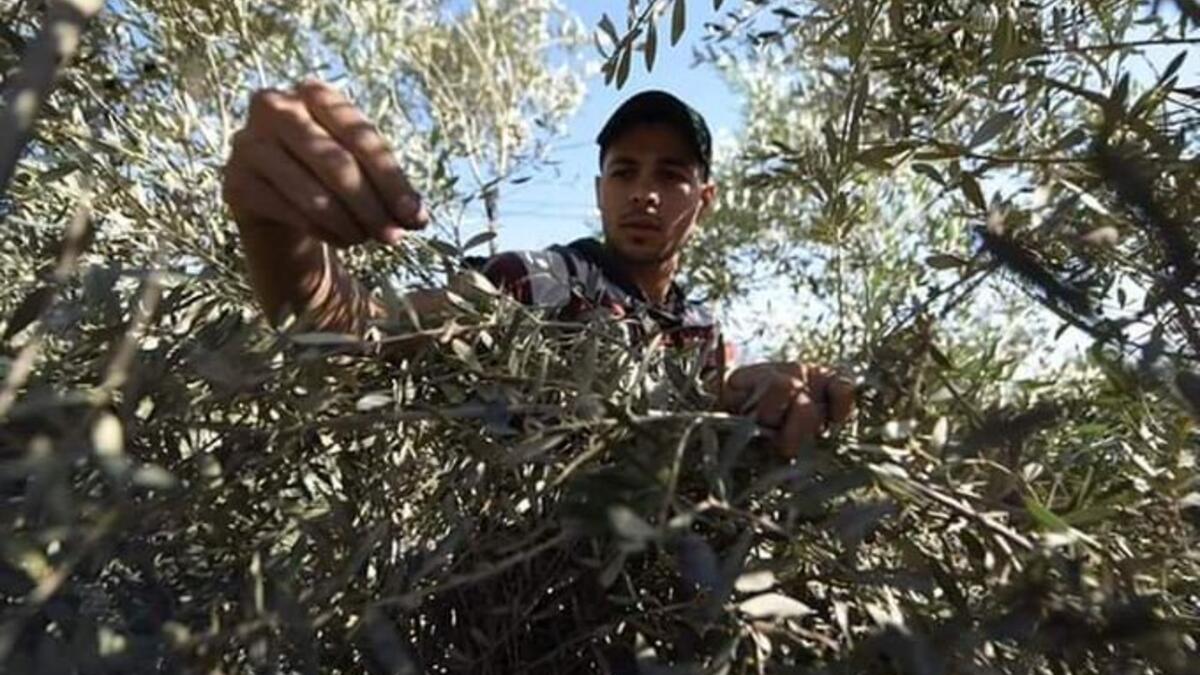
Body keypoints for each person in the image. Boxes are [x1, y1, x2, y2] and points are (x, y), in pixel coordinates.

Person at [223, 80, 854, 456]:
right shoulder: (535, 282)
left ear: (704, 201)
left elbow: (725, 402)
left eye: (671, 174)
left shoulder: (703, 334)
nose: (644, 193)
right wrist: (278, 234)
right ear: (600, 189)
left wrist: (789, 399)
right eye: (625, 171)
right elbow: (353, 331)